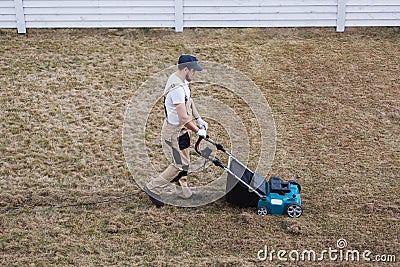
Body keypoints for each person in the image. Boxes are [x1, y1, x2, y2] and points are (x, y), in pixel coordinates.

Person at [143, 54, 208, 207]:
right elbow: (184, 118)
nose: (195, 73)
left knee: (185, 162)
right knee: (179, 165)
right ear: (186, 69)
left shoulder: (182, 81)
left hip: (182, 131)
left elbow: (189, 101)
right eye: (193, 71)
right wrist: (198, 131)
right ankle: (152, 187)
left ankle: (183, 192)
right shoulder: (176, 89)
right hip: (174, 133)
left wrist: (199, 119)